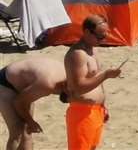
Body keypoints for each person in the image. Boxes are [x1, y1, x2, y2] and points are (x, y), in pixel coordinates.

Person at [64, 15, 122, 150]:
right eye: (100, 37)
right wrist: (106, 75)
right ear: (87, 32)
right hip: (82, 113)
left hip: (96, 111)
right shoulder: (77, 54)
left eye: (105, 36)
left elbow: (95, 80)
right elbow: (79, 87)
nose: (103, 40)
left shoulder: (93, 49)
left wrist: (103, 105)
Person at [0, 54, 66, 150]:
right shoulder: (48, 84)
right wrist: (31, 121)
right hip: (5, 83)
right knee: (17, 131)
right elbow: (18, 102)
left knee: (27, 130)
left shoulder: (72, 76)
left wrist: (29, 122)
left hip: (26, 85)